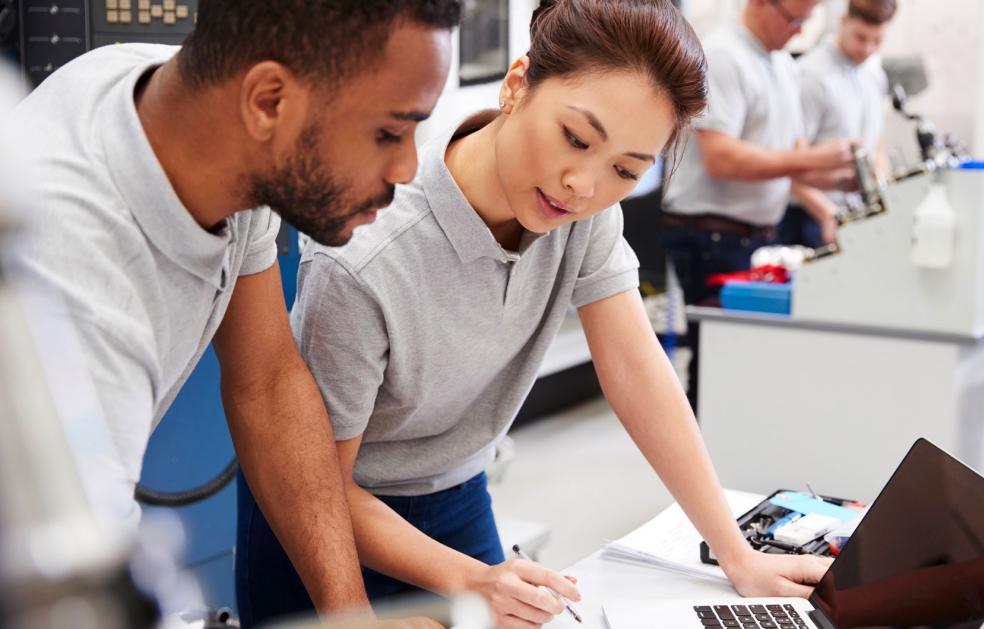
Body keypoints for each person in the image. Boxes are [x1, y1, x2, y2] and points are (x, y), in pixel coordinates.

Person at [236, 0, 832, 627]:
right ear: (517, 84)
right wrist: (470, 580)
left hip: (456, 493)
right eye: (576, 138)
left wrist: (738, 556)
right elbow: (318, 482)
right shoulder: (371, 252)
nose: (583, 185)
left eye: (626, 170)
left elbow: (636, 371)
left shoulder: (587, 214)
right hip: (326, 514)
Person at [3, 1, 459, 624]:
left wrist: (350, 617)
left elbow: (267, 380)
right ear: (268, 101)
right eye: (387, 132)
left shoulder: (202, 124)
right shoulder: (80, 283)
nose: (407, 169)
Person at [659, 0, 856, 409]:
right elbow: (722, 158)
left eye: (806, 21)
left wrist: (843, 181)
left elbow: (788, 161)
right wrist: (813, 160)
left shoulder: (782, 64)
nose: (799, 31)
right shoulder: (724, 57)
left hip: (755, 234)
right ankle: (703, 463)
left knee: (748, 361)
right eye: (793, 18)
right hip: (710, 234)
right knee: (718, 360)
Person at [787, 0, 896, 245]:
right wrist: (827, 214)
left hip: (855, 213)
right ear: (843, 22)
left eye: (877, 41)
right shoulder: (811, 76)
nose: (867, 49)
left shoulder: (875, 74)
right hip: (810, 216)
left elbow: (876, 144)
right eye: (860, 37)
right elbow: (787, 166)